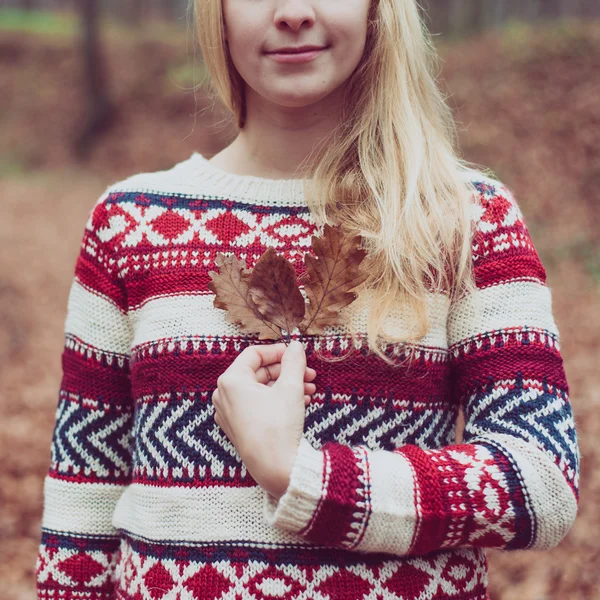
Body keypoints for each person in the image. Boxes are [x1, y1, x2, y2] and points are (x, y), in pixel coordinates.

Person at [35, 0, 580, 598]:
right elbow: (81, 513)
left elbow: (542, 480)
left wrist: (304, 476)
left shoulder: (465, 217)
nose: (293, 12)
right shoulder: (130, 224)